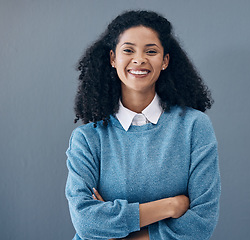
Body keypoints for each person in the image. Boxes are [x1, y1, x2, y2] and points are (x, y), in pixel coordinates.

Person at [65, 10, 221, 240]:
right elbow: (86, 223)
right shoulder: (88, 138)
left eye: (151, 51)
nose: (139, 59)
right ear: (112, 58)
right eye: (128, 50)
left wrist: (117, 233)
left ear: (165, 60)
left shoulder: (194, 127)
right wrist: (170, 206)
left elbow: (201, 224)